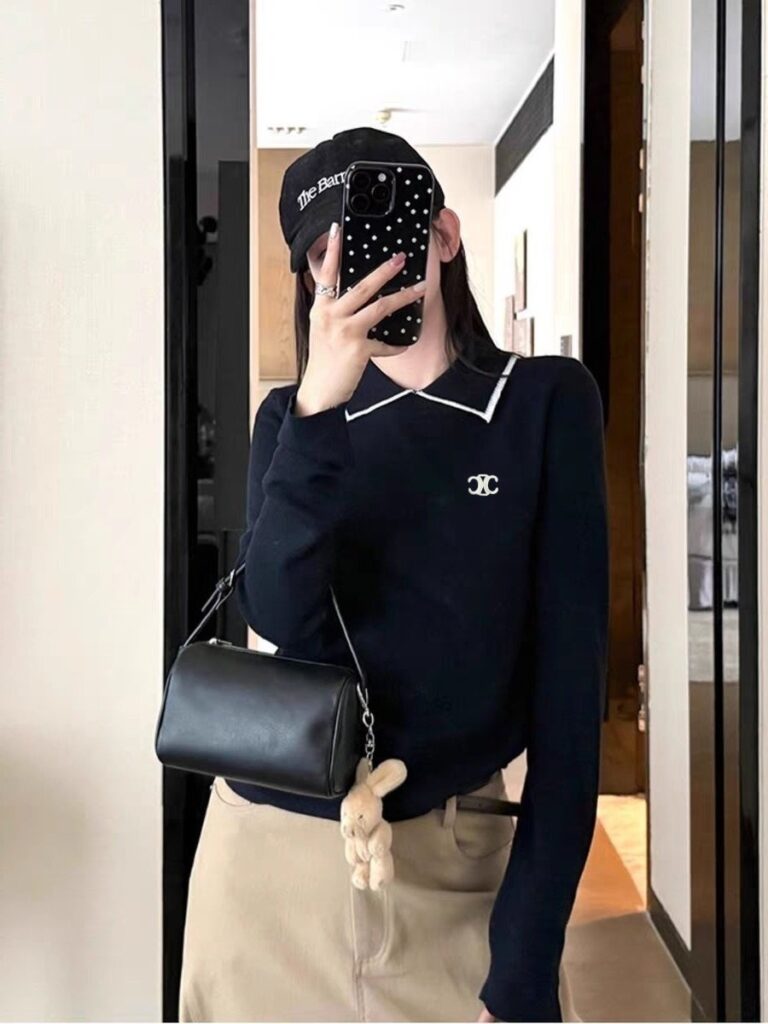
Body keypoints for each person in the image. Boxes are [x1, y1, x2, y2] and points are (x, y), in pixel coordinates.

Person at [178, 126, 609, 1023]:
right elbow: (282, 616)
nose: (354, 268)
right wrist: (319, 408)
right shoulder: (290, 421)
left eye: (377, 237)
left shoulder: (545, 403)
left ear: (443, 235)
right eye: (323, 256)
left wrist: (524, 970)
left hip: (458, 867)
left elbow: (570, 708)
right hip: (270, 873)